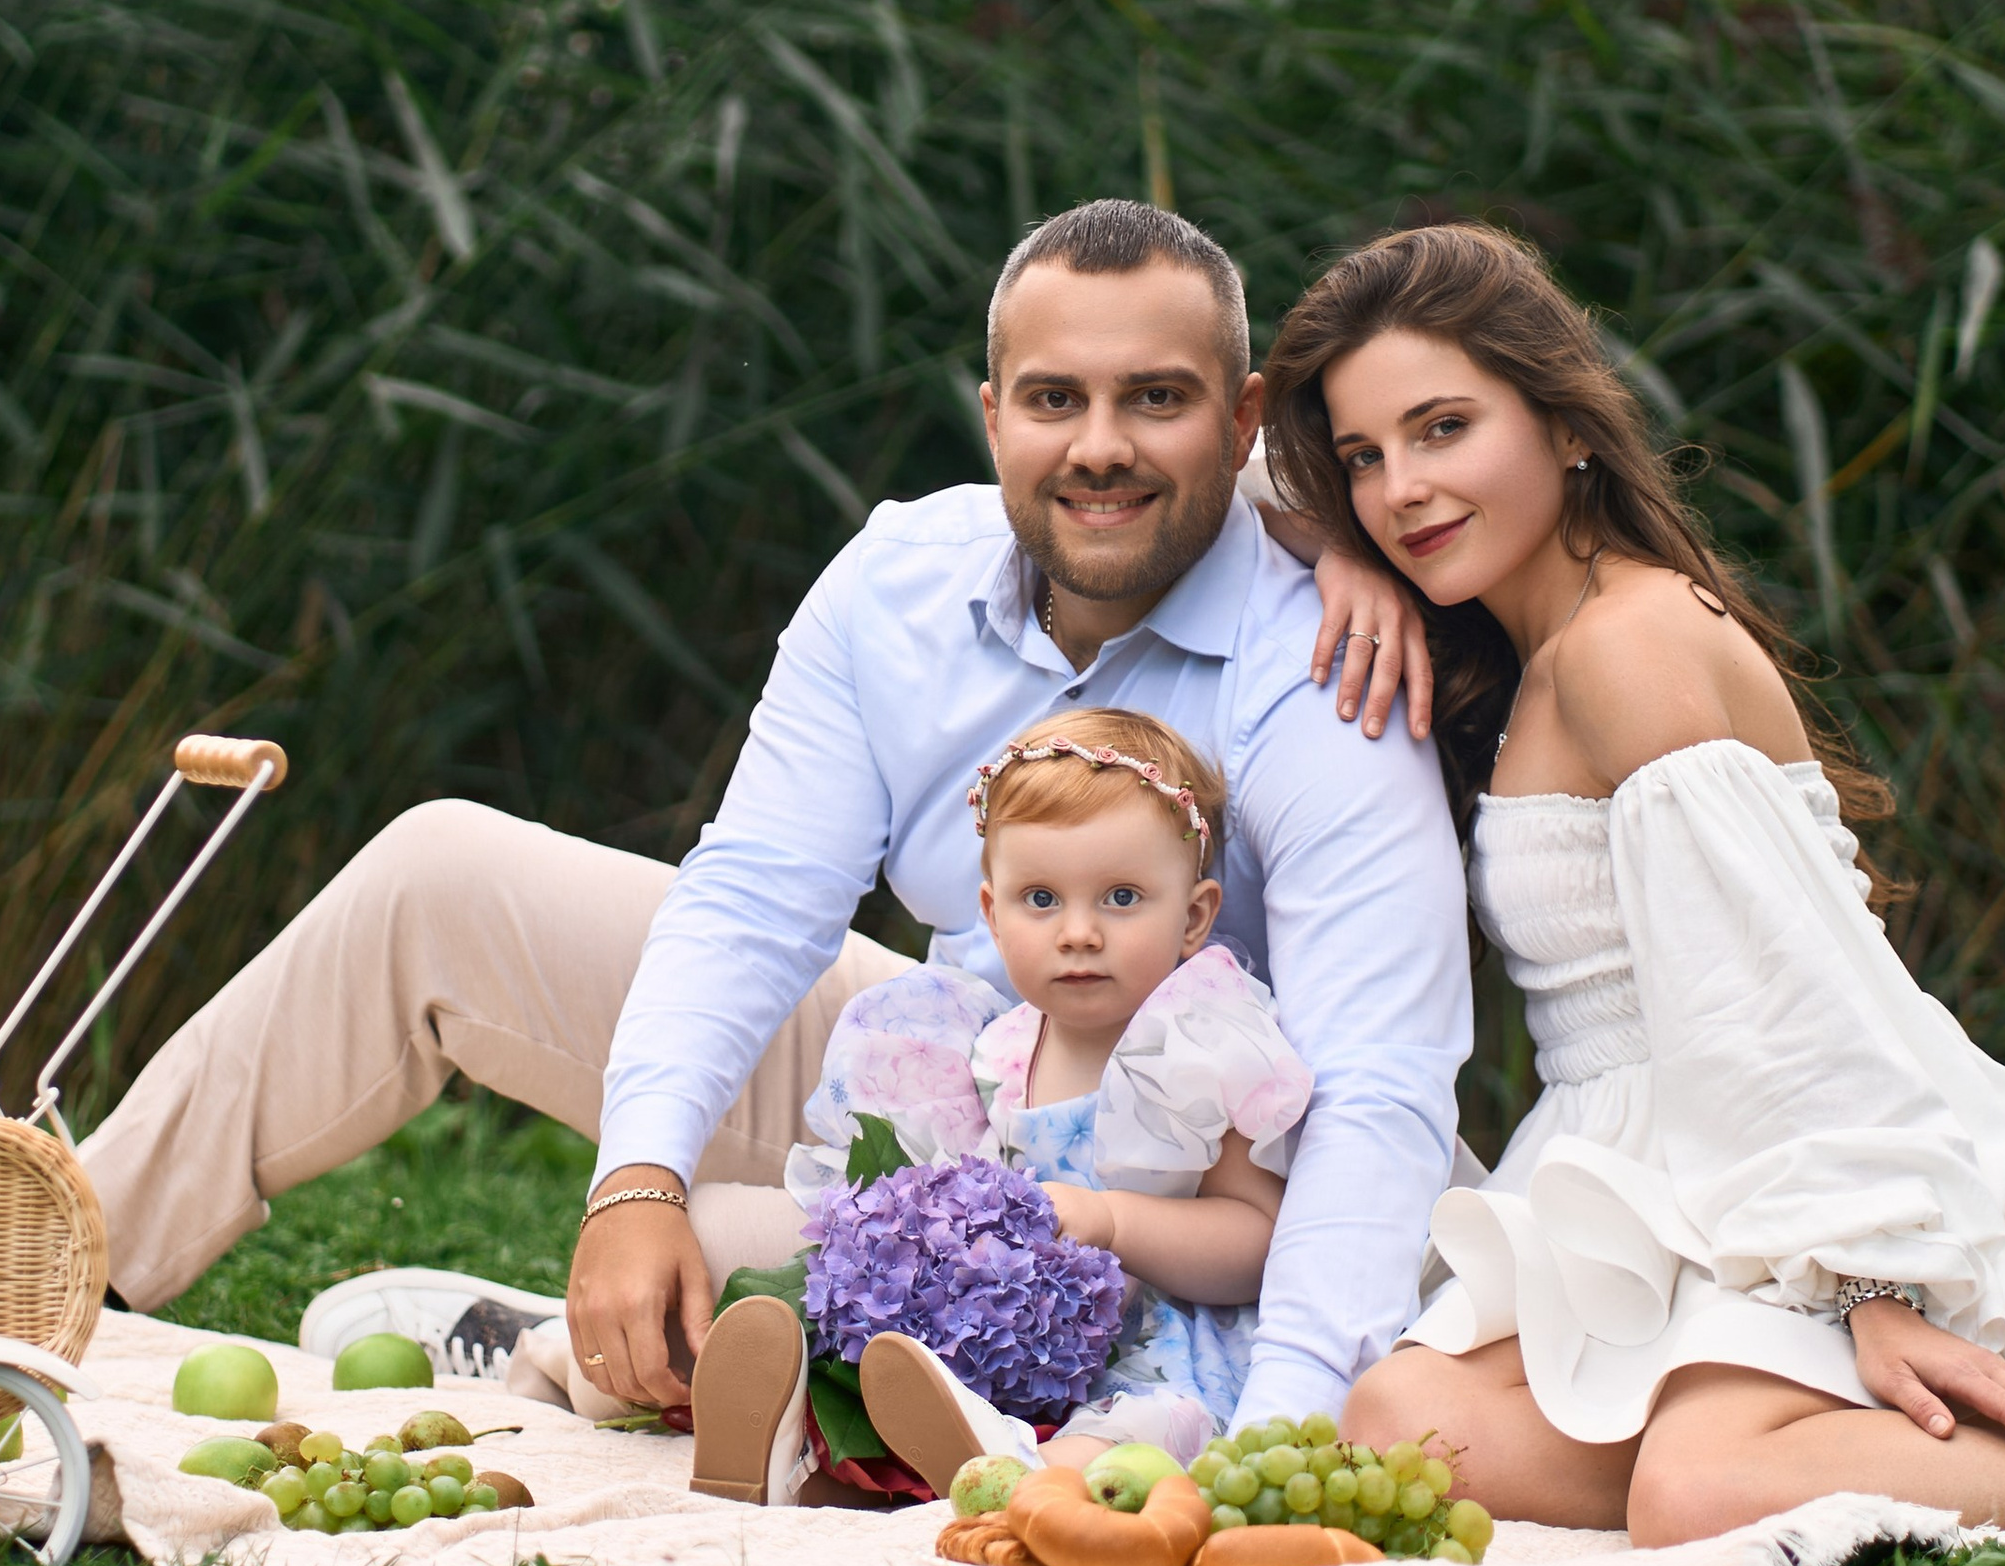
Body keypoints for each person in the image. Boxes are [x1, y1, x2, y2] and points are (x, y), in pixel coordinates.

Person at [79, 200, 1467, 1457]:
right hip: (959, 1081)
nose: (1100, 445)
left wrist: (1281, 1438)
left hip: (1220, 1181)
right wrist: (633, 1183)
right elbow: (752, 902)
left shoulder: (1329, 660)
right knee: (439, 873)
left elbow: (1377, 1086)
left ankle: (557, 1346)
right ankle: (42, 1266)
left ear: (1241, 420)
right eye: (1058, 398)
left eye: (1155, 398)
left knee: (751, 1268)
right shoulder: (896, 584)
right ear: (995, 418)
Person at [1267, 220, 2005, 1545]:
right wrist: (1333, 548)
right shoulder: (1546, 645)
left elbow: (1781, 990)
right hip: (1648, 1178)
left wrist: (1877, 1287)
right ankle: (1800, 1442)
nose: (1403, 489)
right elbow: (1218, 470)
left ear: (1566, 424)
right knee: (1406, 1416)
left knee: (1697, 1493)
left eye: (1443, 428)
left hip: (1796, 1157)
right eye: (1364, 458)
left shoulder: (1627, 646)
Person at [697, 705, 1315, 1502]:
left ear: (1194, 916)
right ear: (993, 914)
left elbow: (1259, 1240)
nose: (1079, 932)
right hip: (1012, 1335)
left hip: (1157, 1339)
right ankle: (805, 1448)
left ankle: (1019, 1481)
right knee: (871, 1350)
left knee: (1139, 1428)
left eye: (1122, 897)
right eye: (1042, 899)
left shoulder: (1194, 1048)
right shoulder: (985, 1049)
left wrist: (1115, 1222)